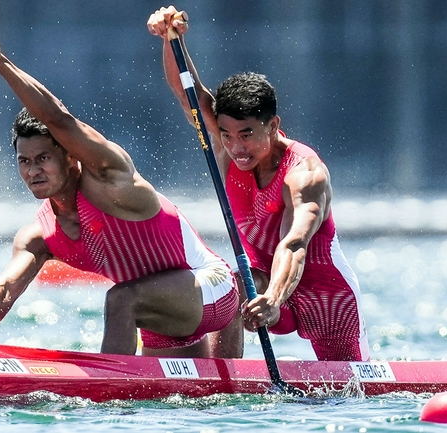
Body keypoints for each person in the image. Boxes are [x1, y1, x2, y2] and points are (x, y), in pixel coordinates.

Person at [0, 32, 242, 360]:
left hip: (212, 288)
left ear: (70, 157)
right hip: (159, 312)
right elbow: (4, 291)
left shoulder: (110, 178)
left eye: (43, 159)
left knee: (119, 300)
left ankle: (108, 399)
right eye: (24, 161)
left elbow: (56, 117)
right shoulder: (40, 236)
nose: (33, 171)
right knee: (186, 400)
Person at [147, 6, 369, 361]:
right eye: (227, 135)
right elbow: (187, 91)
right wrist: (172, 39)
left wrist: (274, 300)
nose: (236, 147)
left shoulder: (305, 173)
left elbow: (295, 244)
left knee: (343, 394)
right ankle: (226, 379)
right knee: (233, 288)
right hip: (263, 281)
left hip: (325, 294)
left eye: (246, 134)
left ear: (272, 123)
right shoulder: (225, 146)